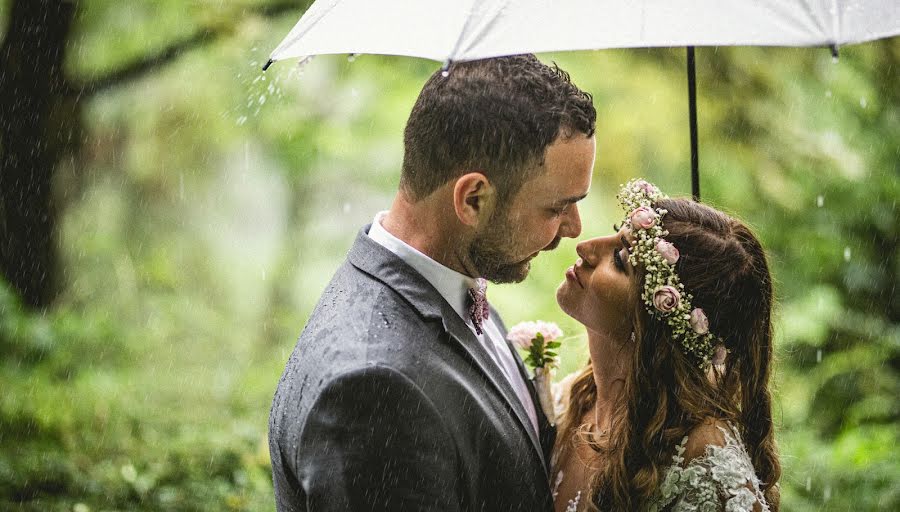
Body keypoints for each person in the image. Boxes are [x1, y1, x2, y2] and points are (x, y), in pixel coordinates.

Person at [268, 54, 597, 511]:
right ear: (473, 198)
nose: (574, 228)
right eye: (556, 207)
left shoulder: (452, 282)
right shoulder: (374, 391)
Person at [552, 179, 781, 511]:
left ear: (657, 321)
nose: (585, 247)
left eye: (619, 259)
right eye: (618, 231)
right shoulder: (568, 401)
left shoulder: (700, 460)